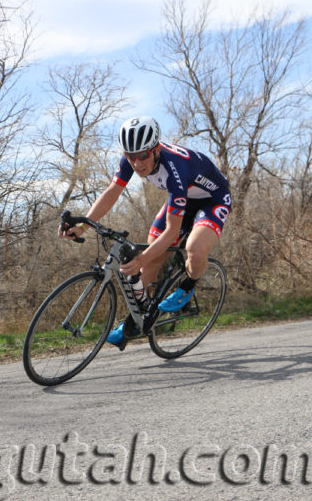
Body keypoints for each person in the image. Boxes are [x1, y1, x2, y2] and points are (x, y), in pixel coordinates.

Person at [59, 116, 231, 347]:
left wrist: (141, 259)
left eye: (143, 156)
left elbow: (171, 232)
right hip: (184, 200)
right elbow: (112, 192)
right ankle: (136, 321)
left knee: (194, 250)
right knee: (151, 260)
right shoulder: (131, 159)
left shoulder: (174, 169)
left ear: (156, 150)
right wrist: (83, 226)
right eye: (131, 156)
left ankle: (188, 287)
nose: (137, 163)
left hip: (213, 200)